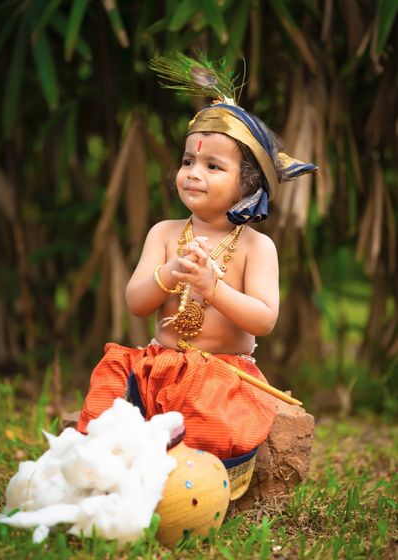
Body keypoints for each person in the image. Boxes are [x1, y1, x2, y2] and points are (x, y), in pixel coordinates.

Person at [77, 55, 317, 498]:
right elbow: (136, 302)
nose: (192, 173)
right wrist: (168, 273)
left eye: (212, 167)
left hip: (221, 374)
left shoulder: (255, 247)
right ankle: (111, 470)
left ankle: (183, 486)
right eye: (189, 162)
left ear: (248, 185)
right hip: (156, 365)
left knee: (205, 423)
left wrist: (213, 288)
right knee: (109, 391)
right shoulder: (165, 233)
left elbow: (263, 320)